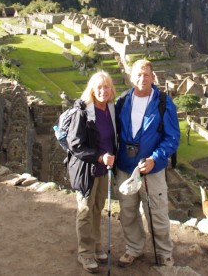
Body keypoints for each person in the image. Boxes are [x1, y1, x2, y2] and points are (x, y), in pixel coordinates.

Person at [115, 59, 180, 267]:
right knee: (127, 212)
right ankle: (133, 248)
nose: (142, 79)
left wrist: (155, 158)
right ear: (131, 77)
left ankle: (164, 252)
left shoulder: (162, 102)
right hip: (125, 167)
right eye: (138, 75)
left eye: (146, 75)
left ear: (153, 77)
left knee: (157, 213)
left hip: (151, 168)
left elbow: (172, 138)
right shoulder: (122, 101)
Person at [66, 70, 118, 273]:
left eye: (106, 87)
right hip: (86, 169)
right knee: (85, 210)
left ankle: (96, 246)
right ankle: (85, 253)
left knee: (97, 208)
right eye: (99, 87)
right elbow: (75, 144)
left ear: (111, 89)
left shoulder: (111, 110)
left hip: (104, 169)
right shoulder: (83, 112)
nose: (103, 91)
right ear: (92, 90)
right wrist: (98, 157)